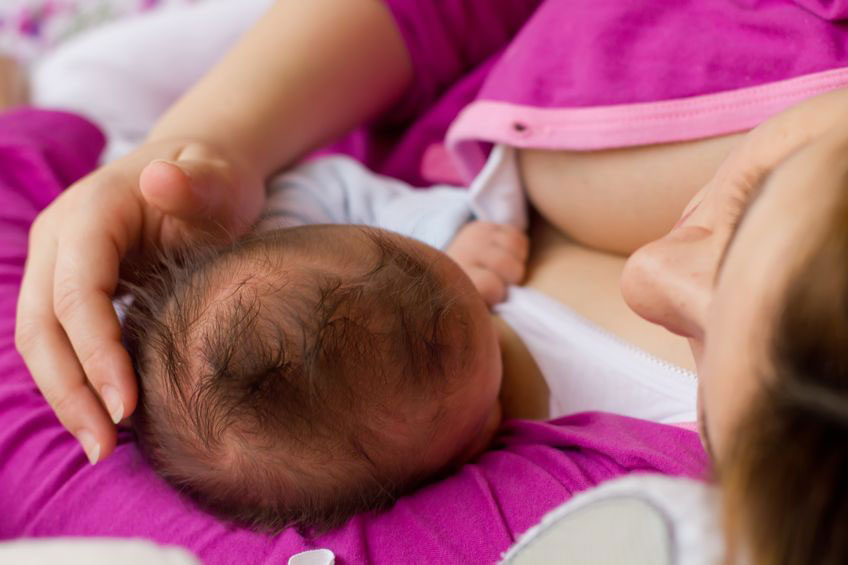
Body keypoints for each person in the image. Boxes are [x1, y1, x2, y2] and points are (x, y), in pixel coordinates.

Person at [13, 0, 848, 562]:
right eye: (765, 200)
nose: (649, 276)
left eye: (730, 368)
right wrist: (212, 138)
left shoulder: (623, 508)